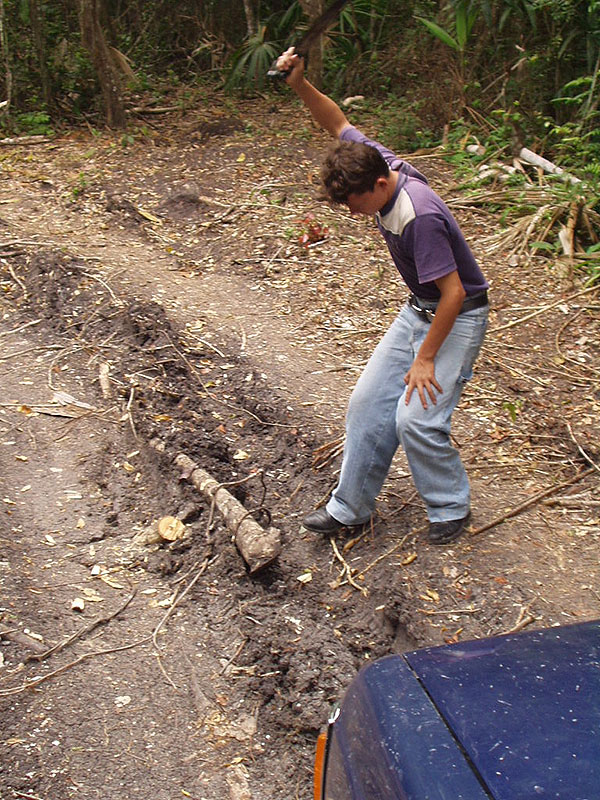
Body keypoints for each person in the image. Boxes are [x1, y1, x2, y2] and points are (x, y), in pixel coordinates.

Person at [276, 48, 489, 545]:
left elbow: (455, 293)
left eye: (355, 204)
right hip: (420, 309)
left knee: (416, 418)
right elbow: (338, 121)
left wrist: (426, 359)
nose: (353, 213)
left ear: (378, 185)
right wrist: (300, 85)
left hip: (456, 316)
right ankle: (349, 508)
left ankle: (451, 506)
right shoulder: (377, 164)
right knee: (368, 405)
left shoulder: (422, 216)